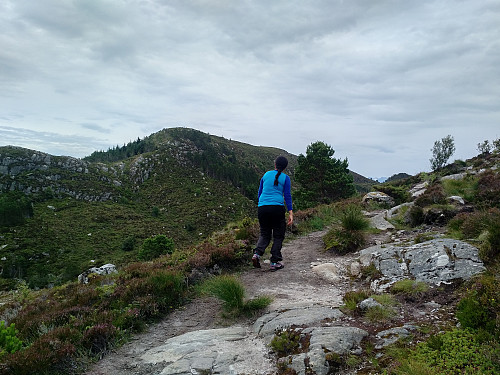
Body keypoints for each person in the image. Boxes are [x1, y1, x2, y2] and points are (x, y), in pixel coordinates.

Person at [252, 155, 293, 271]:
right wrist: (290, 213)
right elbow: (287, 196)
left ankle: (257, 254)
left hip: (262, 207)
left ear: (275, 164)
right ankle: (274, 262)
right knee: (278, 235)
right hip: (277, 208)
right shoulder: (285, 178)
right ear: (285, 167)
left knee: (265, 233)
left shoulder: (265, 175)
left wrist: (261, 206)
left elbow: (259, 193)